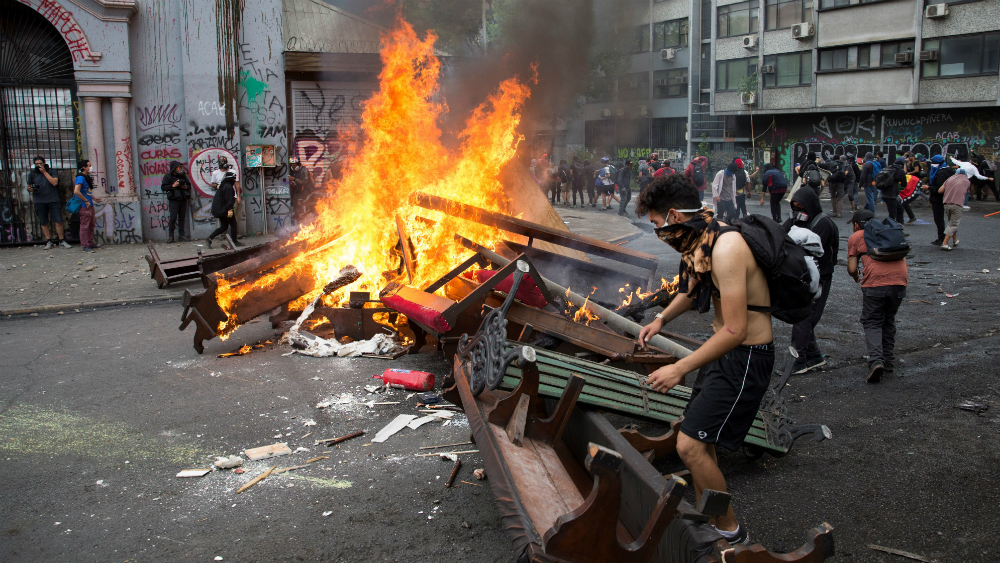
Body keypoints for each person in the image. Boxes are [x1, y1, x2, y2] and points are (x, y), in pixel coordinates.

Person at [635, 174, 774, 546]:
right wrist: (660, 320)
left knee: (689, 445)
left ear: (675, 216)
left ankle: (731, 534)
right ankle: (709, 515)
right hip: (725, 350)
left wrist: (679, 367)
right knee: (700, 439)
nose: (656, 232)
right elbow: (691, 287)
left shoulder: (726, 247)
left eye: (656, 223)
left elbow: (736, 330)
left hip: (744, 355)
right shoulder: (703, 238)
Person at [846, 209, 907, 383]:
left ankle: (875, 360)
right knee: (888, 319)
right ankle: (888, 360)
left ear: (856, 224)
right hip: (900, 282)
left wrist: (857, 275)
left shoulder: (857, 237)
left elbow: (851, 268)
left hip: (875, 284)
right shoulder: (888, 233)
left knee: (872, 321)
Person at [783, 187, 838, 373]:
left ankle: (798, 360)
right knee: (804, 316)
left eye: (801, 208)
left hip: (820, 276)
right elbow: (781, 234)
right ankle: (814, 356)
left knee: (804, 318)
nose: (798, 212)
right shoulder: (795, 219)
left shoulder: (823, 224)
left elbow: (810, 248)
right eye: (795, 208)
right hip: (801, 275)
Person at [28, 156, 70, 249]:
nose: (39, 166)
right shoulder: (32, 174)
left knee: (58, 221)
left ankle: (61, 240)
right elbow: (29, 187)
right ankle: (49, 240)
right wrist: (31, 189)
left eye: (40, 163)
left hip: (53, 200)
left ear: (44, 163)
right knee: (43, 222)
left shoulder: (51, 171)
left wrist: (44, 172)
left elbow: (54, 182)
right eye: (36, 164)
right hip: (39, 200)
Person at [206, 170, 243, 248]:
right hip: (225, 209)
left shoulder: (223, 185)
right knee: (233, 224)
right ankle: (234, 242)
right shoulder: (229, 187)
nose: (234, 180)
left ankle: (209, 238)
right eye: (234, 178)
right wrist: (230, 209)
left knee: (224, 226)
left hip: (220, 209)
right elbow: (228, 199)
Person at [939, 169, 970, 251]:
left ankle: (955, 240)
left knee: (951, 222)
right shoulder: (966, 181)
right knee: (953, 224)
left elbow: (940, 190)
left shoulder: (949, 179)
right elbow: (966, 192)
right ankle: (944, 243)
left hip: (946, 204)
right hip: (957, 204)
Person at [73, 159, 100, 253]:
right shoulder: (80, 178)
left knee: (91, 225)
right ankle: (85, 245)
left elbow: (85, 191)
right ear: (84, 167)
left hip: (89, 204)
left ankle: (90, 243)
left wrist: (93, 197)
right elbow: (76, 191)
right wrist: (85, 201)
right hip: (84, 205)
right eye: (89, 165)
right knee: (84, 226)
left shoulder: (85, 177)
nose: (90, 167)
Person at [161, 160, 191, 243]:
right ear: (173, 168)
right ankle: (171, 236)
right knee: (173, 218)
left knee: (182, 217)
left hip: (183, 198)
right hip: (174, 199)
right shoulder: (168, 176)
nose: (179, 169)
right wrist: (172, 186)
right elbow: (163, 187)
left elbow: (189, 185)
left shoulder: (182, 176)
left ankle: (181, 235)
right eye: (178, 167)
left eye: (180, 167)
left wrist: (185, 186)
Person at [927, 155, 952, 246]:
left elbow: (939, 188)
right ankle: (951, 239)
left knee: (939, 219)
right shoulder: (948, 170)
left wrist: (929, 187)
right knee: (951, 220)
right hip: (948, 197)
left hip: (938, 198)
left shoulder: (940, 173)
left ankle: (941, 238)